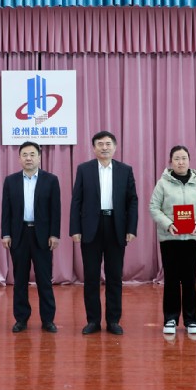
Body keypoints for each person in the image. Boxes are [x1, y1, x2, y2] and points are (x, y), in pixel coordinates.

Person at [70, 131, 138, 336]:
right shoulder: (84, 169)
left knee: (114, 276)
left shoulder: (125, 170)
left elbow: (132, 201)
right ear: (94, 148)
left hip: (116, 227)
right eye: (100, 144)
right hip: (90, 228)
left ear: (115, 147)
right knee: (91, 276)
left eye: (108, 144)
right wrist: (75, 229)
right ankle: (93, 321)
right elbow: (76, 201)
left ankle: (113, 320)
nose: (104, 147)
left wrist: (131, 228)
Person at [149, 145, 196, 335]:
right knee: (171, 279)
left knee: (189, 279)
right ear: (171, 162)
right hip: (170, 238)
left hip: (192, 237)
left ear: (189, 160)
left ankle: (191, 320)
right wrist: (168, 224)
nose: (181, 162)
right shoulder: (163, 183)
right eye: (177, 158)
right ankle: (170, 318)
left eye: (184, 158)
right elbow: (154, 207)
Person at [1, 142, 61, 333]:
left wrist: (54, 234)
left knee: (44, 280)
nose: (28, 158)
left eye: (32, 154)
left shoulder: (51, 180)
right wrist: (5, 233)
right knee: (20, 280)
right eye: (25, 155)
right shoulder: (10, 181)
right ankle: (21, 319)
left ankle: (48, 320)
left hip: (42, 236)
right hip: (19, 235)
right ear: (19, 158)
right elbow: (6, 210)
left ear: (39, 157)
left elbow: (56, 210)